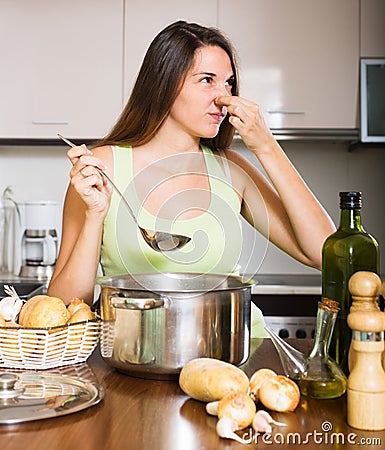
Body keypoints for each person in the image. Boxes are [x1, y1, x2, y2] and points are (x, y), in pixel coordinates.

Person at [48, 20, 336, 337]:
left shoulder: (233, 169)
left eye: (228, 83)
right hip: (137, 357)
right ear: (165, 84)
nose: (223, 98)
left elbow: (324, 253)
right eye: (207, 80)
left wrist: (266, 146)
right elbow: (62, 306)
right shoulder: (103, 166)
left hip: (237, 355)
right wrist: (95, 215)